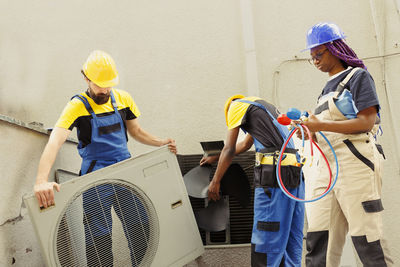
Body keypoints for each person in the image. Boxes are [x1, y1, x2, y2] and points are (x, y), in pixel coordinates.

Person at [33, 50, 177, 266]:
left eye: (108, 84)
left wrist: (160, 142)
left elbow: (137, 132)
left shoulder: (123, 99)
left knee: (141, 229)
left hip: (127, 177)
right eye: (100, 84)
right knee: (98, 240)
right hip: (95, 181)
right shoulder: (77, 106)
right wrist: (40, 181)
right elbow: (55, 141)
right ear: (86, 78)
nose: (105, 89)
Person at [302, 22, 392, 266]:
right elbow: (325, 129)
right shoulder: (324, 90)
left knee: (366, 237)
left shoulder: (357, 76)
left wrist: (320, 126)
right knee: (319, 239)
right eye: (312, 58)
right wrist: (308, 131)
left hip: (355, 163)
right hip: (325, 169)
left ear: (335, 48)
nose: (316, 61)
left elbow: (366, 121)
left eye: (319, 54)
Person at [200, 95, 305, 267]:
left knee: (267, 233)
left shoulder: (235, 107)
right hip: (294, 172)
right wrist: (215, 157)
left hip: (274, 176)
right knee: (290, 236)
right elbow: (244, 145)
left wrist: (216, 181)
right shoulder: (261, 107)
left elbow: (230, 147)